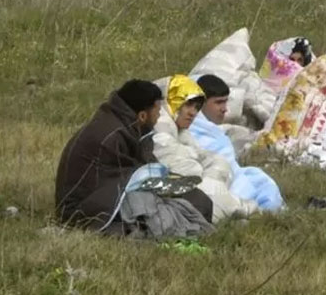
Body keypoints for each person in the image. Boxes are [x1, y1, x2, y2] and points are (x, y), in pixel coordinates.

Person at [55, 79, 214, 232]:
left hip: (104, 196)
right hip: (81, 211)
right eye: (157, 111)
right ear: (142, 115)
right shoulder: (113, 135)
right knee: (167, 214)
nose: (159, 117)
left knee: (197, 200)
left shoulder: (125, 125)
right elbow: (132, 180)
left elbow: (143, 169)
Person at [153, 75, 258, 221]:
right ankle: (242, 209)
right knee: (211, 190)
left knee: (219, 167)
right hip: (165, 188)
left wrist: (208, 163)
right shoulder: (160, 121)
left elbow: (200, 154)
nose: (193, 112)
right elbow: (174, 162)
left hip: (185, 185)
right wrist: (200, 166)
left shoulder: (179, 127)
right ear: (173, 100)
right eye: (188, 104)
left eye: (197, 108)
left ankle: (236, 209)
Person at [192, 74, 285, 211]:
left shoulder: (212, 130)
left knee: (260, 180)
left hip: (232, 178)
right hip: (217, 186)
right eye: (218, 102)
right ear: (201, 103)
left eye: (225, 102)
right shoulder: (193, 130)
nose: (224, 108)